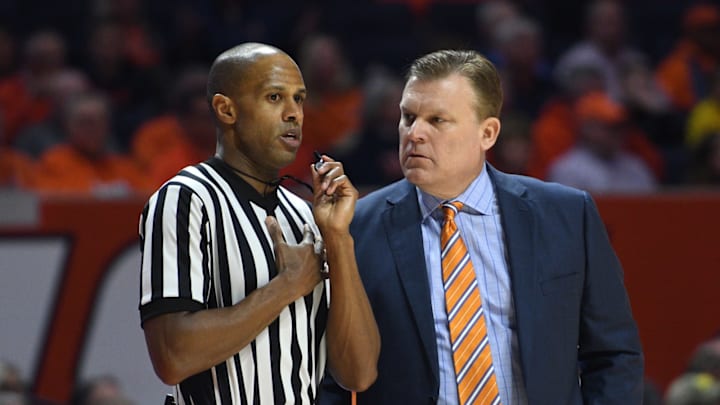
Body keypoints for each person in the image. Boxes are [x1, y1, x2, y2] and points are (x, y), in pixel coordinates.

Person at [320, 49, 643, 404]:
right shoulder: (355, 227)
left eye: (437, 120)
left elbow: (614, 355)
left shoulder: (567, 215)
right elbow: (332, 379)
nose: (415, 134)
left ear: (487, 133)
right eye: (408, 117)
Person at [138, 42, 379, 404]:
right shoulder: (186, 199)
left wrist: (338, 238)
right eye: (274, 98)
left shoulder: (305, 215)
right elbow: (172, 357)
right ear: (226, 109)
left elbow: (357, 373)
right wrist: (286, 287)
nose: (294, 113)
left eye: (299, 99)